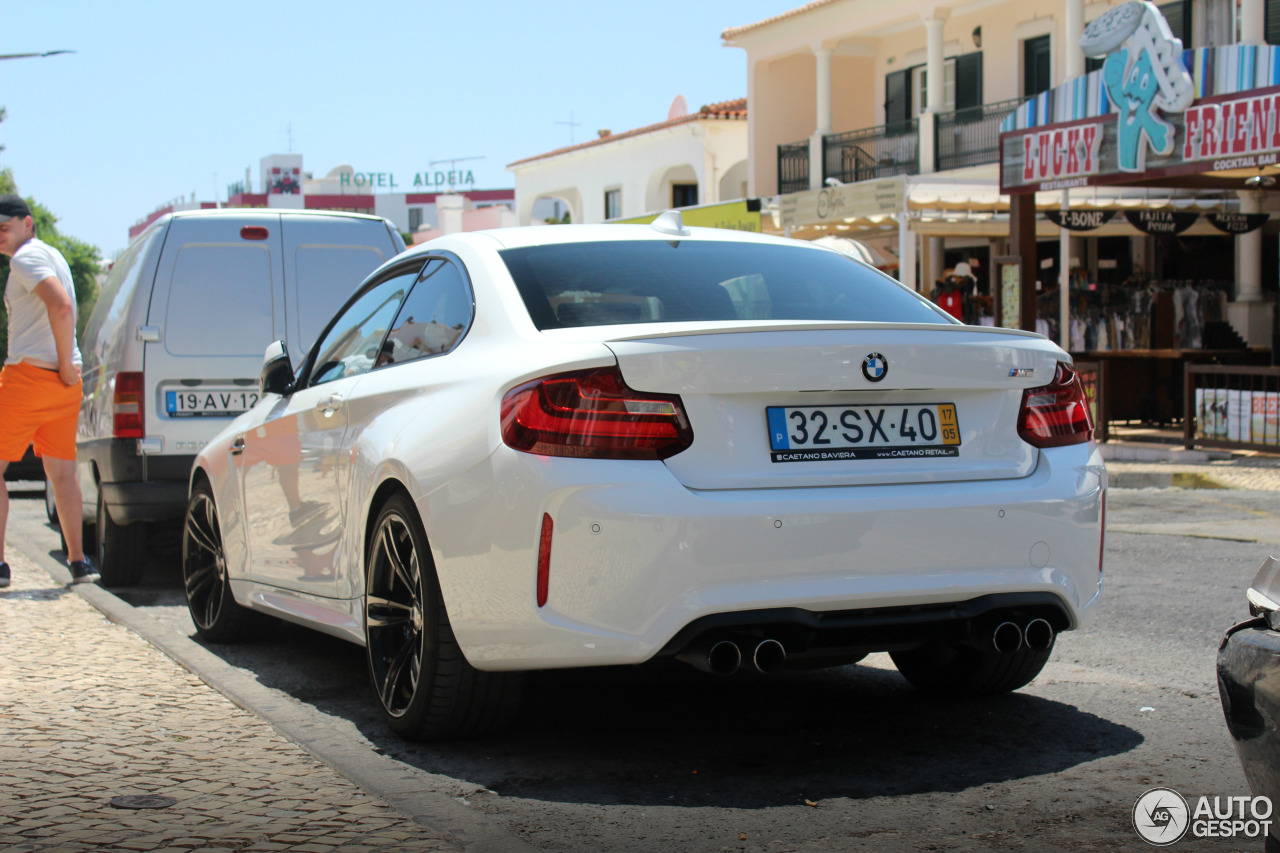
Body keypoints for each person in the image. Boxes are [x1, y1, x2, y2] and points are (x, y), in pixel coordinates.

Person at [0, 193, 98, 587]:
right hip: (63, 386)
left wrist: (59, 361)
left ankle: (1, 567)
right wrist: (66, 368)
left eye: (4, 228)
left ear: (28, 223)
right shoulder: (54, 256)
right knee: (62, 472)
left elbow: (60, 307)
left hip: (28, 378)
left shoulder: (25, 259)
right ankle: (79, 563)